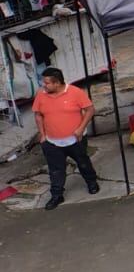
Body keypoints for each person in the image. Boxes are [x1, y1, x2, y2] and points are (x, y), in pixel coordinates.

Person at [33, 67, 98, 209]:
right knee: (55, 170)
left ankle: (92, 182)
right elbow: (38, 115)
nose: (44, 85)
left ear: (57, 83)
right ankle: (57, 195)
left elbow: (90, 109)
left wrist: (81, 129)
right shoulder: (41, 95)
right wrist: (42, 134)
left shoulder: (75, 92)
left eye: (47, 83)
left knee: (83, 163)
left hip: (75, 139)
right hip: (52, 142)